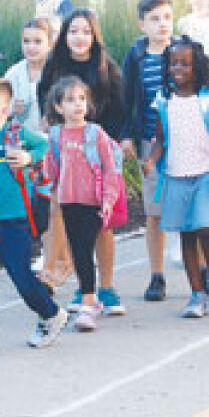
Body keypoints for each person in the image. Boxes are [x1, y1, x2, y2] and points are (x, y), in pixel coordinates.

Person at [0, 78, 67, 359]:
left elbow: (43, 146)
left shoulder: (17, 134)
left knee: (21, 276)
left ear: (5, 110)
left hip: (16, 220)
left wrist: (27, 157)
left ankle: (51, 313)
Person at [37, 9, 127, 315]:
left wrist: (113, 147)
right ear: (65, 35)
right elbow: (46, 100)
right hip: (67, 151)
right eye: (74, 31)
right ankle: (80, 285)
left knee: (103, 223)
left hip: (98, 153)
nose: (80, 37)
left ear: (94, 36)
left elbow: (119, 108)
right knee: (68, 220)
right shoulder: (54, 65)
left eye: (86, 31)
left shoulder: (106, 68)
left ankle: (107, 287)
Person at [141, 37, 209, 317]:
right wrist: (152, 159)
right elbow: (160, 139)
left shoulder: (208, 100)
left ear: (197, 67)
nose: (178, 68)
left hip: (205, 173)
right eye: (173, 63)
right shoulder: (163, 100)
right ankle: (196, 294)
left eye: (185, 64)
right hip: (175, 175)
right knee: (186, 234)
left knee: (205, 227)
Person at [43, 76, 123, 332]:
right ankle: (88, 293)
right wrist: (46, 190)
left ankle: (89, 300)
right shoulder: (55, 135)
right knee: (78, 249)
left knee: (85, 247)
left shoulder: (94, 133)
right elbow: (50, 169)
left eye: (81, 99)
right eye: (70, 100)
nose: (77, 105)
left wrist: (108, 199)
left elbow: (110, 168)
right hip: (68, 201)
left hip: (93, 202)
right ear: (58, 107)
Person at [6, 17, 70, 286]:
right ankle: (58, 258)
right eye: (26, 41)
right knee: (38, 208)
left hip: (55, 146)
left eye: (37, 41)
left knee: (55, 206)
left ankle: (56, 260)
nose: (31, 47)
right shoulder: (13, 74)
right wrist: (12, 110)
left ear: (50, 42)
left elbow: (71, 103)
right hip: (26, 151)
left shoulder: (57, 72)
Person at [121, 0, 175, 302]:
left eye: (166, 17)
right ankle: (157, 274)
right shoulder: (136, 56)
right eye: (154, 19)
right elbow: (128, 98)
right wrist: (127, 134)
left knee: (188, 209)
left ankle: (206, 272)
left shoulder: (184, 50)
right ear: (142, 24)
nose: (162, 24)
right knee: (154, 211)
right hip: (149, 141)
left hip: (184, 142)